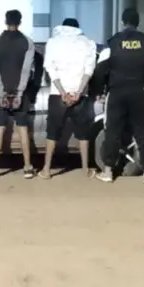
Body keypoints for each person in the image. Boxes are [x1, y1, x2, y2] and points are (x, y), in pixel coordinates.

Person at [94, 8, 144, 184]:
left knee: (112, 130)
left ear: (122, 22)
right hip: (141, 91)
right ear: (138, 23)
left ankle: (108, 171)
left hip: (117, 91)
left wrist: (99, 90)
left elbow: (100, 69)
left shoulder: (113, 42)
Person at [39, 18, 97, 179]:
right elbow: (89, 70)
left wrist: (63, 92)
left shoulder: (53, 42)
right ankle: (85, 170)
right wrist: (78, 92)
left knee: (52, 133)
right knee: (83, 134)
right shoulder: (88, 43)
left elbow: (50, 69)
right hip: (81, 95)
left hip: (57, 94)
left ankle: (46, 170)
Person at [0, 10, 36, 179]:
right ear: (20, 22)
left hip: (1, 92)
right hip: (21, 93)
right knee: (23, 129)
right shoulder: (27, 42)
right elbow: (26, 70)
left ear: (5, 21)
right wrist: (19, 93)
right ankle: (27, 167)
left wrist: (1, 93)